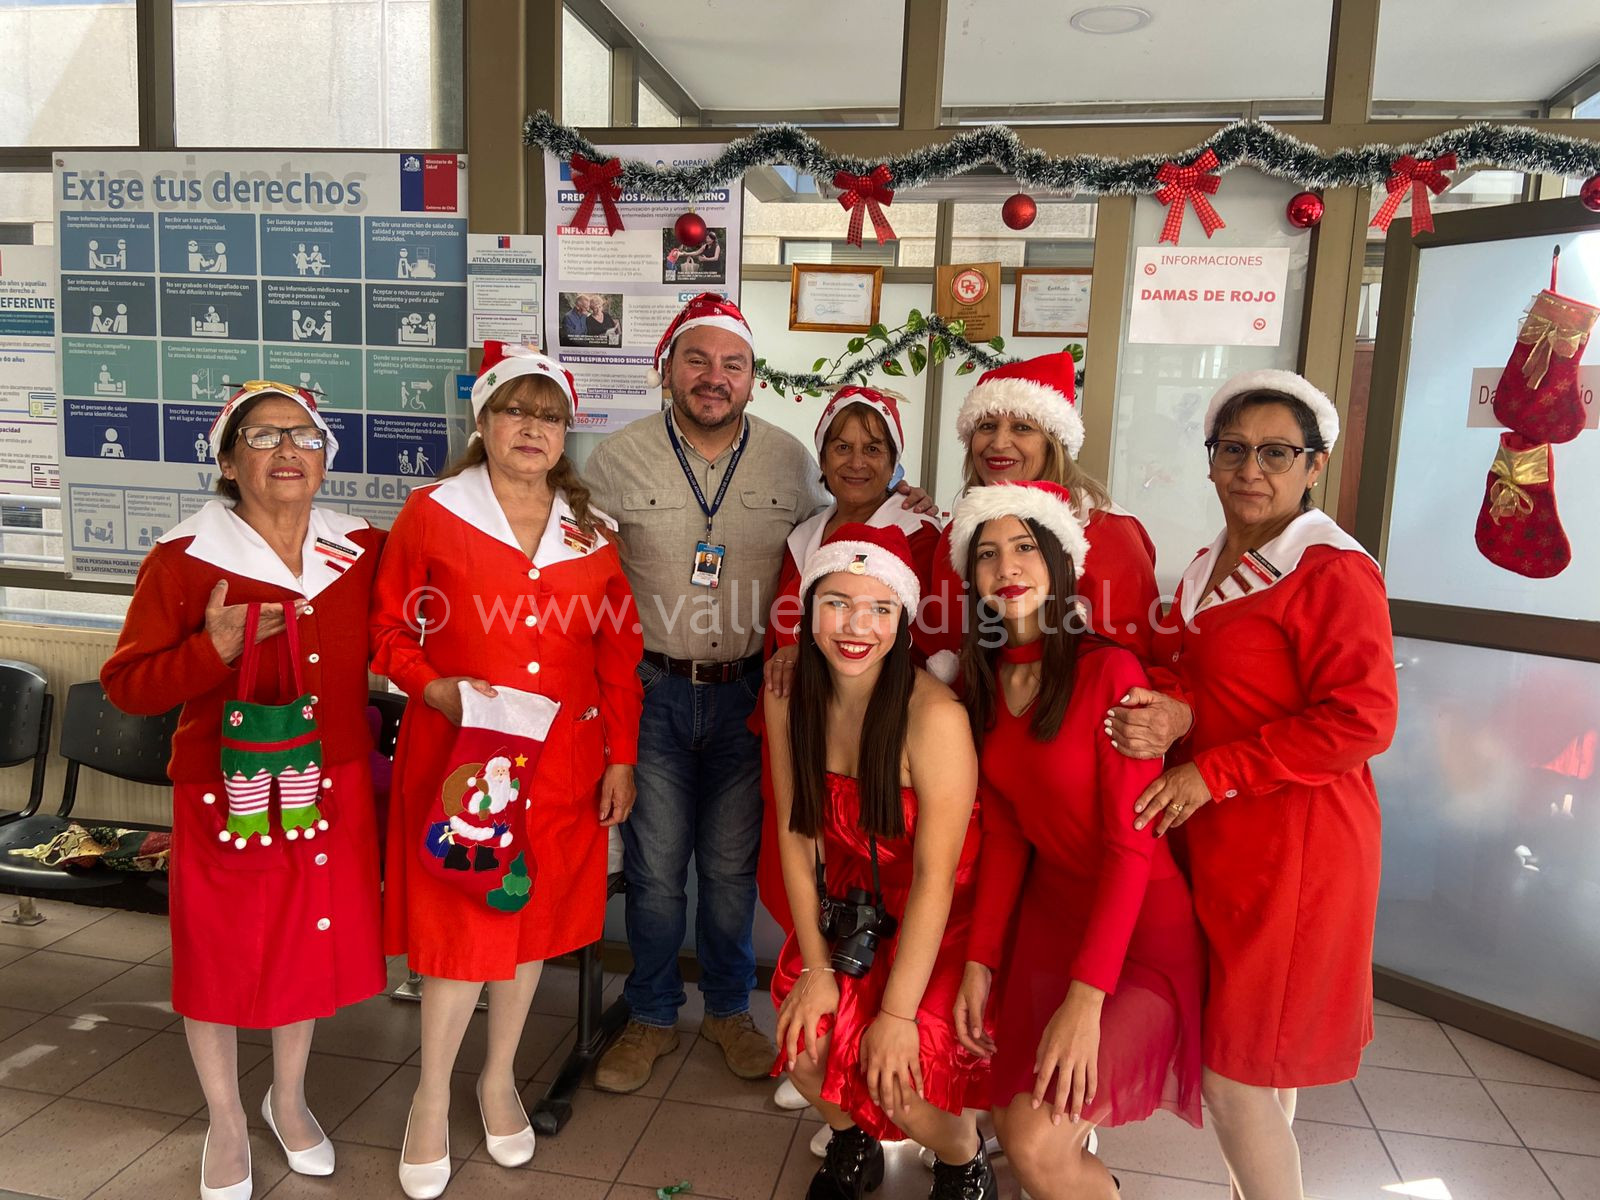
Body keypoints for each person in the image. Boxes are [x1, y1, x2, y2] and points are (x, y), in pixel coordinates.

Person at [1107, 370, 1398, 1200]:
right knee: (1259, 1063)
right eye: (1233, 449)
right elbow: (1212, 678)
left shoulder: (1330, 569)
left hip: (1299, 848)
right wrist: (1177, 712)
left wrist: (1215, 769)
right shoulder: (1209, 563)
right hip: (1224, 840)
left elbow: (1364, 718)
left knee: (1233, 1072)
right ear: (1210, 460)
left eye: (1277, 452)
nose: (1251, 469)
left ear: (1315, 464)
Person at [371, 343, 642, 1199]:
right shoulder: (433, 513)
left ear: (566, 434)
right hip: (464, 759)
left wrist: (623, 757)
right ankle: (428, 1097)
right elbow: (388, 632)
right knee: (460, 930)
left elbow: (618, 657)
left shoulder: (592, 533)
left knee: (528, 923)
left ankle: (497, 1082)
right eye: (515, 411)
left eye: (549, 415)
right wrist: (433, 688)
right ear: (483, 424)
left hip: (564, 765)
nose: (532, 428)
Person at [101, 381, 383, 1200]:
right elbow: (127, 686)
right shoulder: (184, 558)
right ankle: (225, 1122)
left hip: (328, 783)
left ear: (326, 457)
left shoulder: (363, 546)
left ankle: (287, 1100)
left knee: (305, 946)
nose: (288, 450)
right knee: (221, 956)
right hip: (227, 793)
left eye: (305, 436)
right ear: (228, 463)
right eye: (263, 437)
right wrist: (211, 649)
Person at [583, 293, 827, 1092]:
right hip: (652, 692)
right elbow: (573, 565)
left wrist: (909, 502)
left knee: (728, 871)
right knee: (656, 872)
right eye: (697, 359)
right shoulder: (616, 460)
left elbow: (837, 547)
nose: (714, 377)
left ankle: (727, 1010)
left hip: (749, 696)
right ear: (668, 370)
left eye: (733, 364)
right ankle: (651, 1015)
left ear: (753, 378)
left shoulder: (791, 462)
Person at [946, 480, 1205, 1200]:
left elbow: (1131, 847)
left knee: (1035, 1139)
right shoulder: (987, 678)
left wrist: (1087, 1002)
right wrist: (980, 962)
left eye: (1025, 548)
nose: (1007, 567)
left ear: (1061, 563)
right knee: (1010, 1117)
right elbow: (1007, 835)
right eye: (988, 553)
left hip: (1137, 935)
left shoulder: (1109, 671)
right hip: (1050, 920)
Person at [767, 523, 993, 1200]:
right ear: (809, 610)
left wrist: (896, 1016)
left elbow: (935, 879)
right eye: (837, 603)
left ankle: (963, 1161)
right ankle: (851, 1141)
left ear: (902, 619)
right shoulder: (787, 696)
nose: (856, 627)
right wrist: (815, 968)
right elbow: (796, 835)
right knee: (806, 1048)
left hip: (939, 916)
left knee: (899, 1078)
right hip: (855, 906)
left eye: (879, 608)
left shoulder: (934, 716)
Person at [757, 384, 942, 935]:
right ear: (822, 457)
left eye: (872, 448)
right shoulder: (804, 535)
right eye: (841, 447)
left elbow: (925, 641)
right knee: (799, 873)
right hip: (801, 730)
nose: (856, 462)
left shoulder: (921, 534)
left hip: (876, 747)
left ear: (894, 459)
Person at [919, 352, 1160, 682]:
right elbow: (940, 641)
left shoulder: (1107, 530)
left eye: (1022, 427)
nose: (999, 443)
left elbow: (1123, 667)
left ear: (1054, 442)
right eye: (987, 426)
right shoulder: (957, 533)